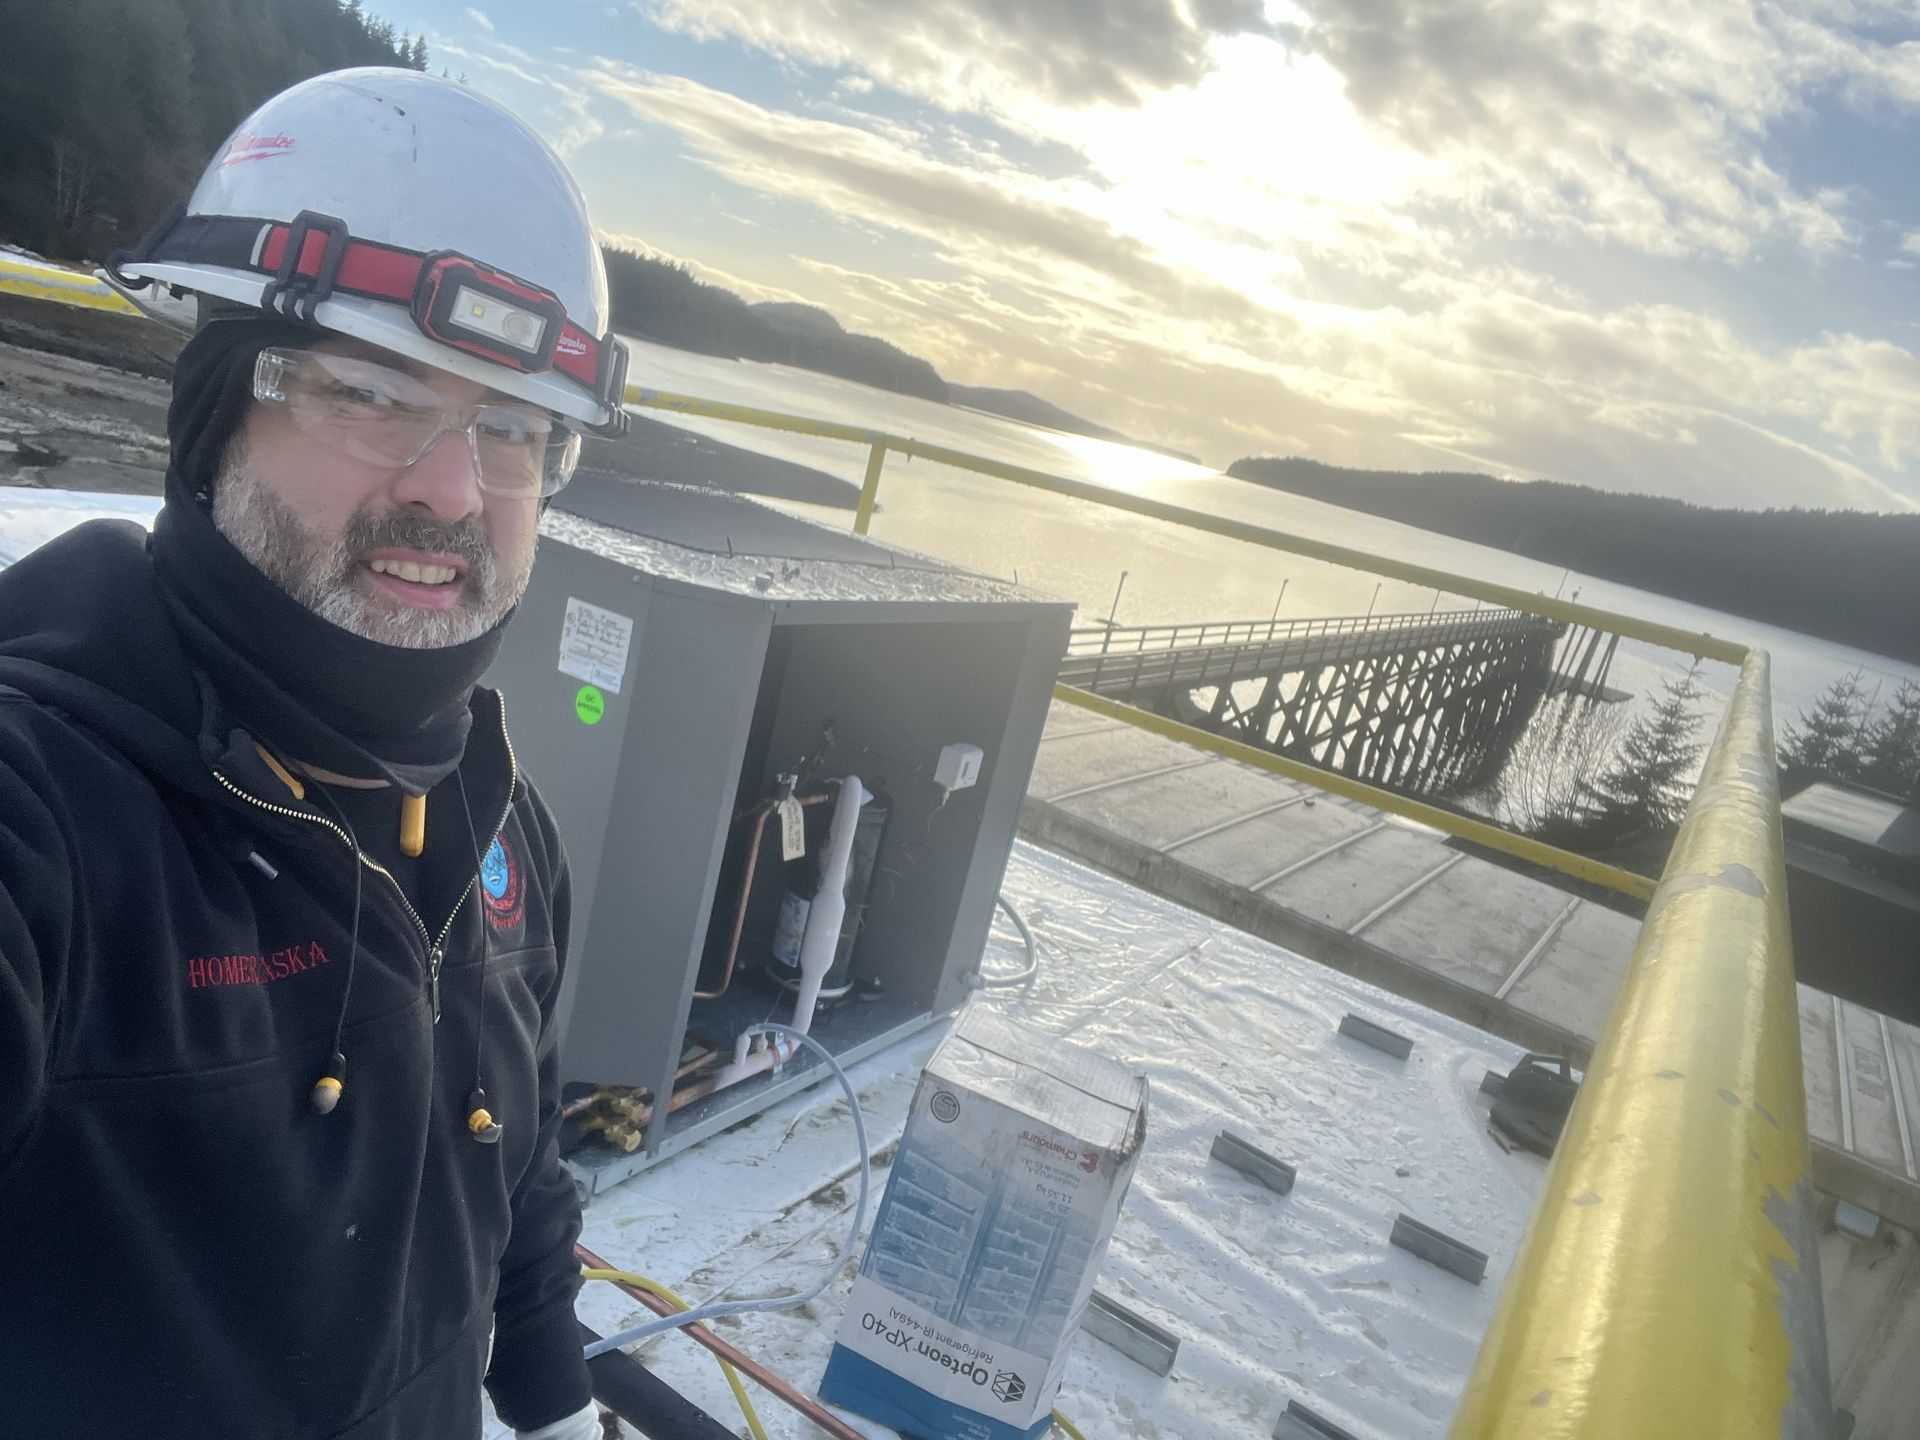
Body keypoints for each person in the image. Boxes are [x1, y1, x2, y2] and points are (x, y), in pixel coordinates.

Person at [0, 69, 631, 1440]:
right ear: (220, 413)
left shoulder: (505, 833)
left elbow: (509, 1174)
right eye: (372, 394)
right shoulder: (48, 806)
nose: (452, 488)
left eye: (514, 431)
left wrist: (550, 1396)